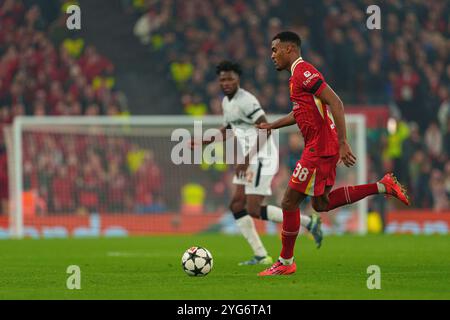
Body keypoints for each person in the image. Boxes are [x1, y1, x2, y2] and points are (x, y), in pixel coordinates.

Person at [257, 31, 410, 276]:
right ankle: (383, 186)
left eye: (275, 50)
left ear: (289, 49)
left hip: (319, 147)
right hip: (319, 146)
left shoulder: (304, 72)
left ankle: (286, 263)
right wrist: (272, 126)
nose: (272, 55)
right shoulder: (296, 77)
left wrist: (343, 142)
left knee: (288, 202)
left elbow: (336, 102)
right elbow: (300, 113)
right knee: (321, 203)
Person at [191, 60, 323, 266]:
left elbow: (266, 128)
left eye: (230, 79)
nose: (226, 83)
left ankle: (308, 222)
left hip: (263, 156)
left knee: (253, 209)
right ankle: (261, 255)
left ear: (238, 80)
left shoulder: (247, 100)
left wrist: (246, 159)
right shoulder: (227, 102)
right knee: (236, 205)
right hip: (250, 158)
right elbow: (227, 128)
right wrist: (203, 141)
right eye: (222, 79)